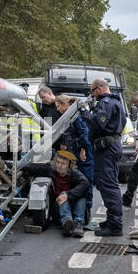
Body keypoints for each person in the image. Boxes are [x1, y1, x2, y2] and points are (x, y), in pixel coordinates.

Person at [79, 78, 126, 236]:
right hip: (109, 147)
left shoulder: (106, 103)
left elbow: (98, 123)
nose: (92, 96)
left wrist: (84, 112)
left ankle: (115, 226)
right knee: (108, 184)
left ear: (99, 89)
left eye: (92, 92)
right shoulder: (115, 102)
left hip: (107, 149)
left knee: (109, 186)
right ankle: (112, 220)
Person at [22, 150, 89, 237]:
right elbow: (35, 168)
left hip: (75, 209)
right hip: (58, 210)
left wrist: (68, 196)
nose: (59, 166)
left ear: (69, 166)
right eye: (58, 162)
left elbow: (85, 184)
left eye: (63, 163)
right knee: (63, 194)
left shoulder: (75, 174)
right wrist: (21, 165)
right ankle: (67, 223)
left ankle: (78, 225)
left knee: (80, 195)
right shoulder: (51, 171)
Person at [54, 95, 94, 224]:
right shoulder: (71, 114)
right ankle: (78, 210)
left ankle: (86, 213)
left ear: (64, 104)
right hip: (77, 148)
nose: (58, 109)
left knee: (85, 178)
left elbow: (84, 132)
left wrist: (83, 149)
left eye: (58, 106)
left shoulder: (75, 114)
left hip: (83, 150)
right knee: (78, 179)